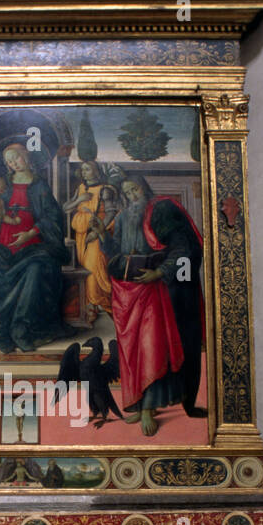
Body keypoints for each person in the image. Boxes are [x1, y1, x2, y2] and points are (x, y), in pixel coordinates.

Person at [106, 176, 207, 436]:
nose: (131, 195)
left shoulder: (162, 209)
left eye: (134, 188)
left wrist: (160, 272)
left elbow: (184, 248)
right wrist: (100, 237)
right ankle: (140, 404)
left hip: (163, 286)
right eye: (127, 192)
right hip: (131, 289)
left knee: (156, 346)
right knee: (134, 349)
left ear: (145, 188)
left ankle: (161, 405)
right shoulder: (124, 216)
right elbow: (115, 252)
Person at [0, 143, 72, 353]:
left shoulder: (40, 186)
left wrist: (31, 232)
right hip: (1, 241)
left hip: (34, 244)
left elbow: (52, 216)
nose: (13, 163)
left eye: (16, 158)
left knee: (35, 271)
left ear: (26, 157)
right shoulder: (4, 184)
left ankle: (22, 327)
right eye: (9, 161)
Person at [63, 160, 116, 315]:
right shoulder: (81, 188)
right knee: (84, 267)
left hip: (96, 233)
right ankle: (90, 306)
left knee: (94, 266)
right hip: (80, 234)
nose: (84, 172)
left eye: (88, 169)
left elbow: (111, 212)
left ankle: (99, 302)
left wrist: (97, 232)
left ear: (96, 171)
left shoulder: (105, 190)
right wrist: (79, 200)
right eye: (83, 169)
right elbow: (66, 208)